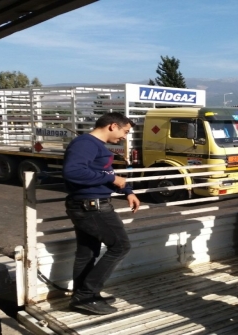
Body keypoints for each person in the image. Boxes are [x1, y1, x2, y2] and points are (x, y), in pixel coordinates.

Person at [63, 112, 140, 315]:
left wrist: (127, 191)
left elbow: (103, 174)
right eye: (125, 131)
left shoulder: (95, 146)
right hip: (90, 206)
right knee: (121, 246)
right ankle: (86, 295)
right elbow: (73, 172)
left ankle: (83, 296)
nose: (125, 137)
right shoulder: (85, 144)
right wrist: (115, 180)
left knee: (87, 252)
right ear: (113, 126)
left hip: (88, 204)